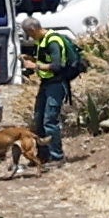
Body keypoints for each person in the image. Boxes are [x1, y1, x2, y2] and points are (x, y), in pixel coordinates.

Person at [29, 18, 85, 165]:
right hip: (46, 83)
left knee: (50, 120)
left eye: (29, 34)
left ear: (33, 30)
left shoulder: (53, 41)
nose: (30, 37)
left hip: (57, 84)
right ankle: (42, 156)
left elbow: (56, 66)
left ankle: (57, 156)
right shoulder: (42, 41)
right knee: (39, 117)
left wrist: (35, 65)